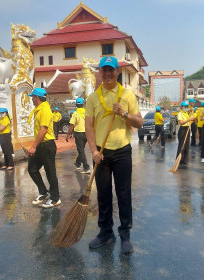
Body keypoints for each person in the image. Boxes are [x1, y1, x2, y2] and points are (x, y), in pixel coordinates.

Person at [85, 56, 142, 254]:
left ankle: (125, 234)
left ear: (117, 72)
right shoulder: (92, 98)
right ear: (99, 73)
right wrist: (93, 150)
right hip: (101, 153)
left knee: (124, 194)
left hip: (122, 152)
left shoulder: (127, 95)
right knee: (103, 194)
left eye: (111, 70)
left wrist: (125, 114)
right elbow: (89, 126)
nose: (108, 74)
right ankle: (105, 232)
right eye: (104, 70)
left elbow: (139, 123)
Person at [27, 88, 61, 208]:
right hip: (41, 145)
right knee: (32, 169)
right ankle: (43, 192)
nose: (31, 99)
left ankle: (55, 198)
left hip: (47, 145)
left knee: (50, 172)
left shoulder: (45, 110)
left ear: (37, 98)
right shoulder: (39, 110)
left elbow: (43, 129)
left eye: (32, 97)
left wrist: (33, 146)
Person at [66, 97, 90, 174]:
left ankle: (86, 167)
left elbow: (71, 126)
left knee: (81, 150)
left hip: (79, 134)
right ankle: (77, 163)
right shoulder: (87, 112)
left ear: (76, 105)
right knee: (81, 150)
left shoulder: (75, 114)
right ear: (83, 104)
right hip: (87, 133)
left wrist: (67, 135)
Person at [176, 101, 196, 166]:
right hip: (182, 130)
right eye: (185, 106)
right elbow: (181, 122)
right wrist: (189, 119)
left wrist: (192, 120)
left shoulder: (186, 113)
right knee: (182, 145)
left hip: (187, 128)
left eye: (187, 106)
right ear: (182, 107)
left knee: (187, 145)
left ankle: (185, 160)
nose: (186, 108)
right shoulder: (180, 114)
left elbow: (189, 122)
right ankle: (179, 160)